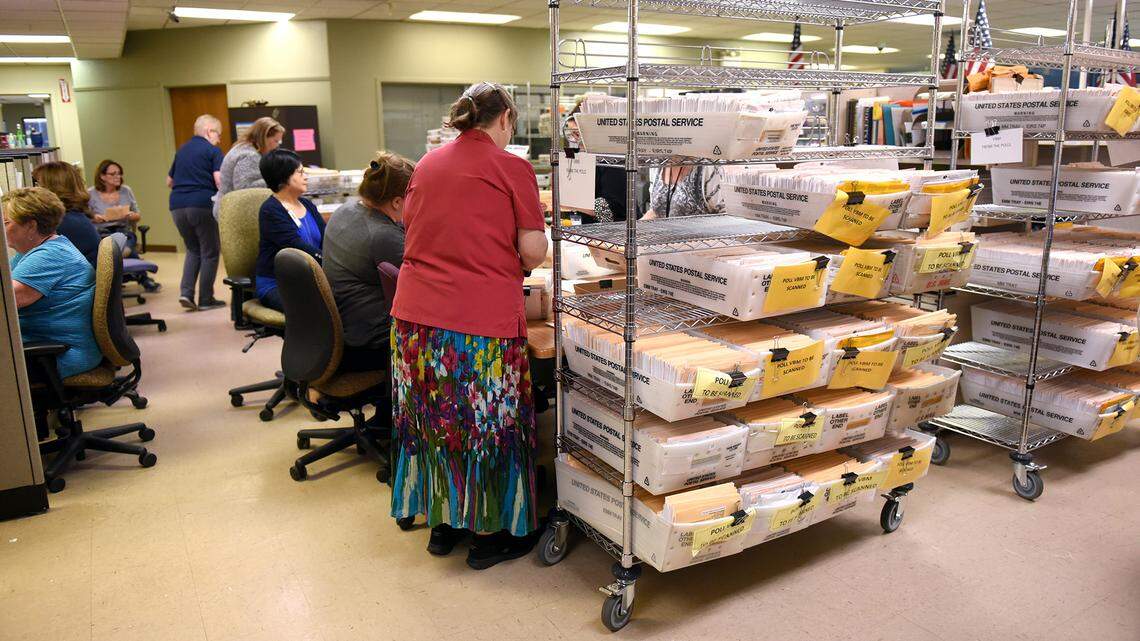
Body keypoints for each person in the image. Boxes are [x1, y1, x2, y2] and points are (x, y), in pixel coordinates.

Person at [390, 82, 547, 570]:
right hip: (480, 324)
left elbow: (413, 231)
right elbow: (533, 251)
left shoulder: (427, 163)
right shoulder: (512, 167)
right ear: (504, 120)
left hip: (416, 324)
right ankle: (488, 536)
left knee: (434, 422)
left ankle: (443, 524)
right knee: (488, 427)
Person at [322, 151, 413, 373]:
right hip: (371, 340)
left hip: (344, 325)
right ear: (397, 201)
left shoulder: (346, 210)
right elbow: (423, 283)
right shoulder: (382, 235)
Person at [2, 187, 102, 381]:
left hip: (57, 355)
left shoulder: (49, 256)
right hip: (50, 346)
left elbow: (6, 299)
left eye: (5, 222)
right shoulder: (43, 248)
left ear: (31, 226)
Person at [255, 148, 324, 312]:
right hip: (277, 283)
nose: (305, 177)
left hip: (310, 278)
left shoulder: (307, 205)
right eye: (300, 173)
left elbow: (327, 237)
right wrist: (328, 260)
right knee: (313, 310)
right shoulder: (270, 210)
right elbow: (296, 247)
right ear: (284, 177)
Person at [168, 114, 225, 311]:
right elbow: (219, 180)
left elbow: (169, 182)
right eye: (218, 134)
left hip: (177, 205)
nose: (219, 139)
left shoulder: (181, 150)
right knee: (210, 251)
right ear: (209, 131)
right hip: (201, 204)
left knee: (193, 249)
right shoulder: (213, 151)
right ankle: (206, 299)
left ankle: (186, 293)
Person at [563, 101, 630, 222]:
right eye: (570, 134)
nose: (573, 140)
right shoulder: (575, 153)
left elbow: (608, 209)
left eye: (577, 133)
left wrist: (569, 202)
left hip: (614, 231)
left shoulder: (610, 158)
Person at [31, 161, 101, 267]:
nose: (33, 190)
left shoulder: (63, 223)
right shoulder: (74, 216)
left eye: (38, 184)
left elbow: (38, 265)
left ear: (52, 188)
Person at [214, 117, 285, 218]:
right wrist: (278, 179)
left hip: (227, 208)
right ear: (264, 137)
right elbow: (246, 188)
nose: (277, 145)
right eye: (276, 141)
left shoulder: (242, 147)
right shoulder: (249, 155)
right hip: (232, 212)